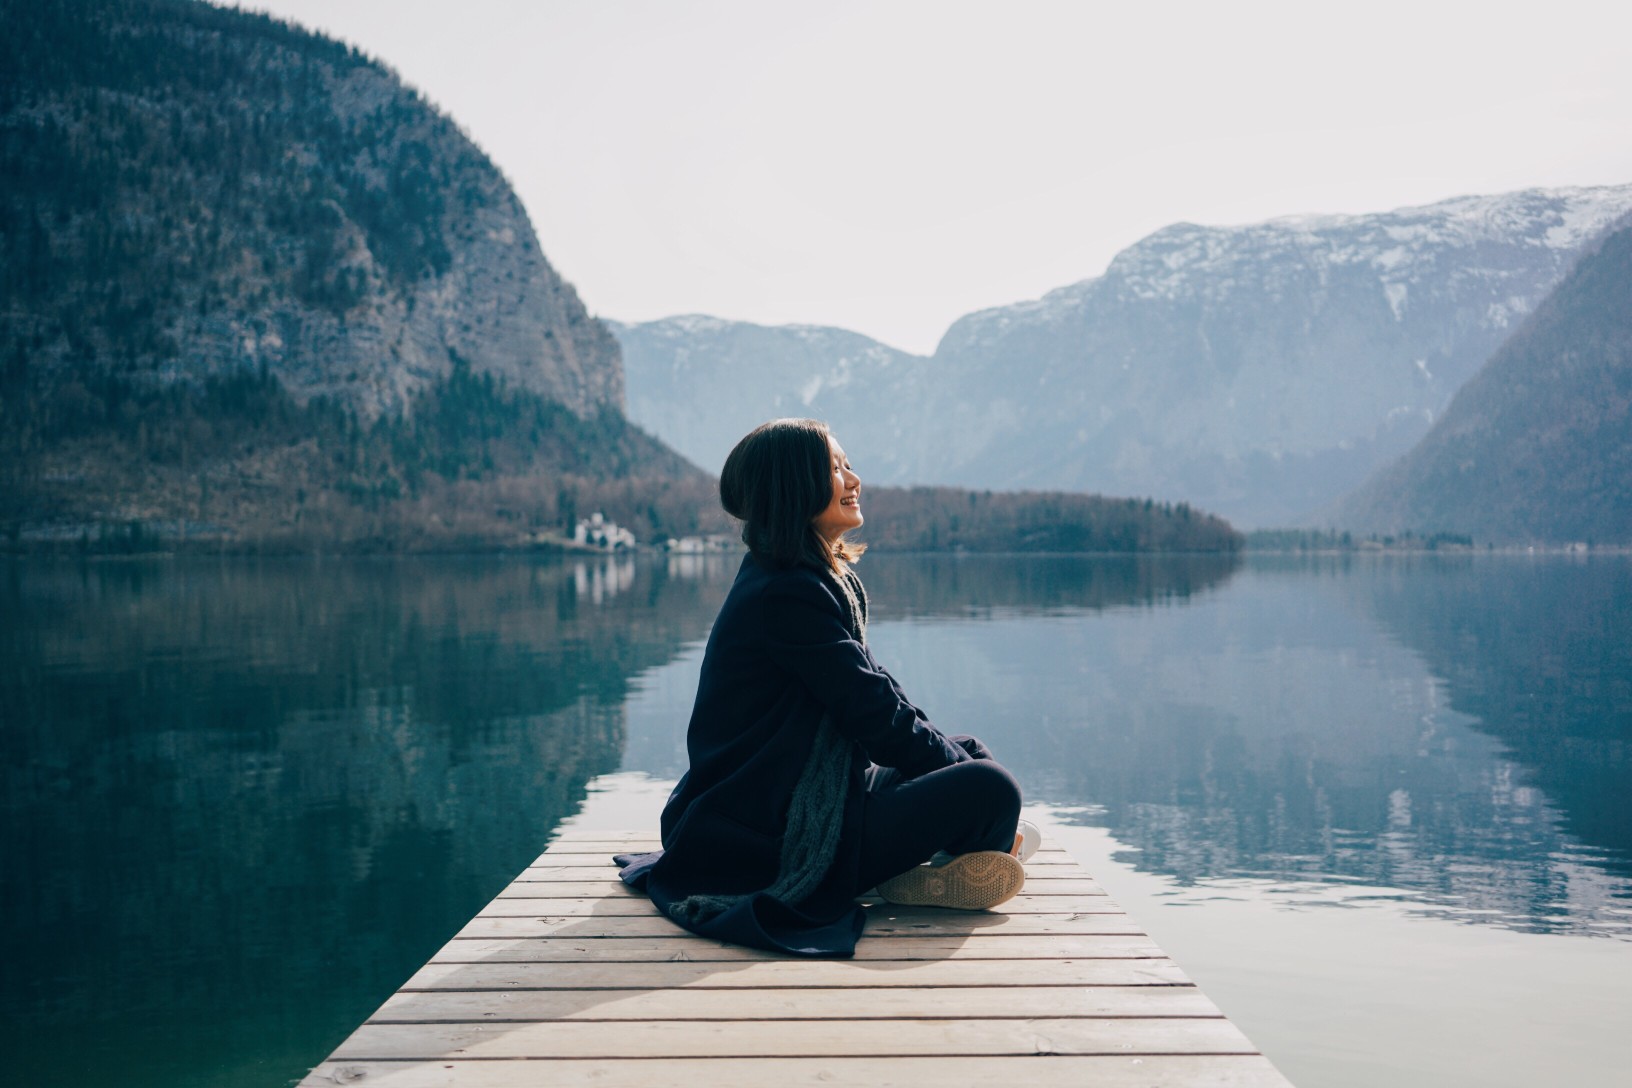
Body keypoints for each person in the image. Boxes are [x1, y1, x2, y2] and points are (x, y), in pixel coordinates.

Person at [615, 418, 1037, 957]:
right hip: (770, 835)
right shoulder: (786, 594)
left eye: (847, 465)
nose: (853, 479)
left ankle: (938, 865)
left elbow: (885, 696)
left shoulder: (806, 577)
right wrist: (960, 777)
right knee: (990, 788)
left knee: (972, 755)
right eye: (835, 468)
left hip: (810, 795)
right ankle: (925, 869)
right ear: (794, 485)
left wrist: (954, 760)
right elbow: (877, 720)